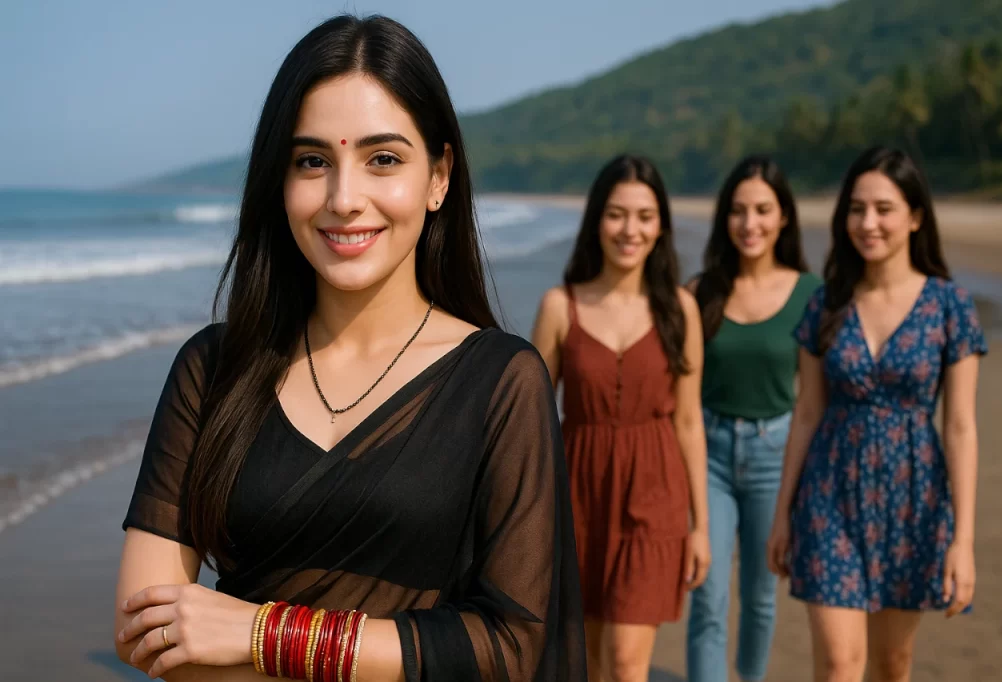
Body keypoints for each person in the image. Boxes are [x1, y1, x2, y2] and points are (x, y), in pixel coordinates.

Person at [113, 15, 587, 682]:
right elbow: (145, 630)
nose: (343, 198)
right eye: (312, 161)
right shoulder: (213, 369)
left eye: (383, 159)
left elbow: (508, 645)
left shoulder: (501, 381)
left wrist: (262, 632)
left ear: (439, 177)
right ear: (279, 181)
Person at [766, 146, 987, 682]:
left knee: (892, 665)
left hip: (914, 499)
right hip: (829, 494)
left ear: (914, 217)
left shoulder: (949, 306)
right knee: (841, 665)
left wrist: (963, 541)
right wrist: (782, 515)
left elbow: (959, 426)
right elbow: (808, 413)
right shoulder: (825, 303)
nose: (868, 223)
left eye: (884, 209)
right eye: (857, 209)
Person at [531, 155, 710, 682]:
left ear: (661, 226)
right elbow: (533, 423)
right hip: (577, 498)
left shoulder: (681, 309)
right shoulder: (560, 307)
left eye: (644, 216)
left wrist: (701, 527)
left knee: (628, 665)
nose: (630, 230)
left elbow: (690, 423)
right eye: (616, 214)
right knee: (582, 662)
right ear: (596, 221)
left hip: (655, 498)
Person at [685, 155, 819, 682]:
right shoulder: (700, 292)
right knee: (708, 596)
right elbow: (684, 398)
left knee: (762, 597)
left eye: (763, 210)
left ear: (783, 216)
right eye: (738, 211)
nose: (750, 223)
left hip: (776, 454)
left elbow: (811, 403)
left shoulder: (811, 294)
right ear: (725, 218)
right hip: (711, 453)